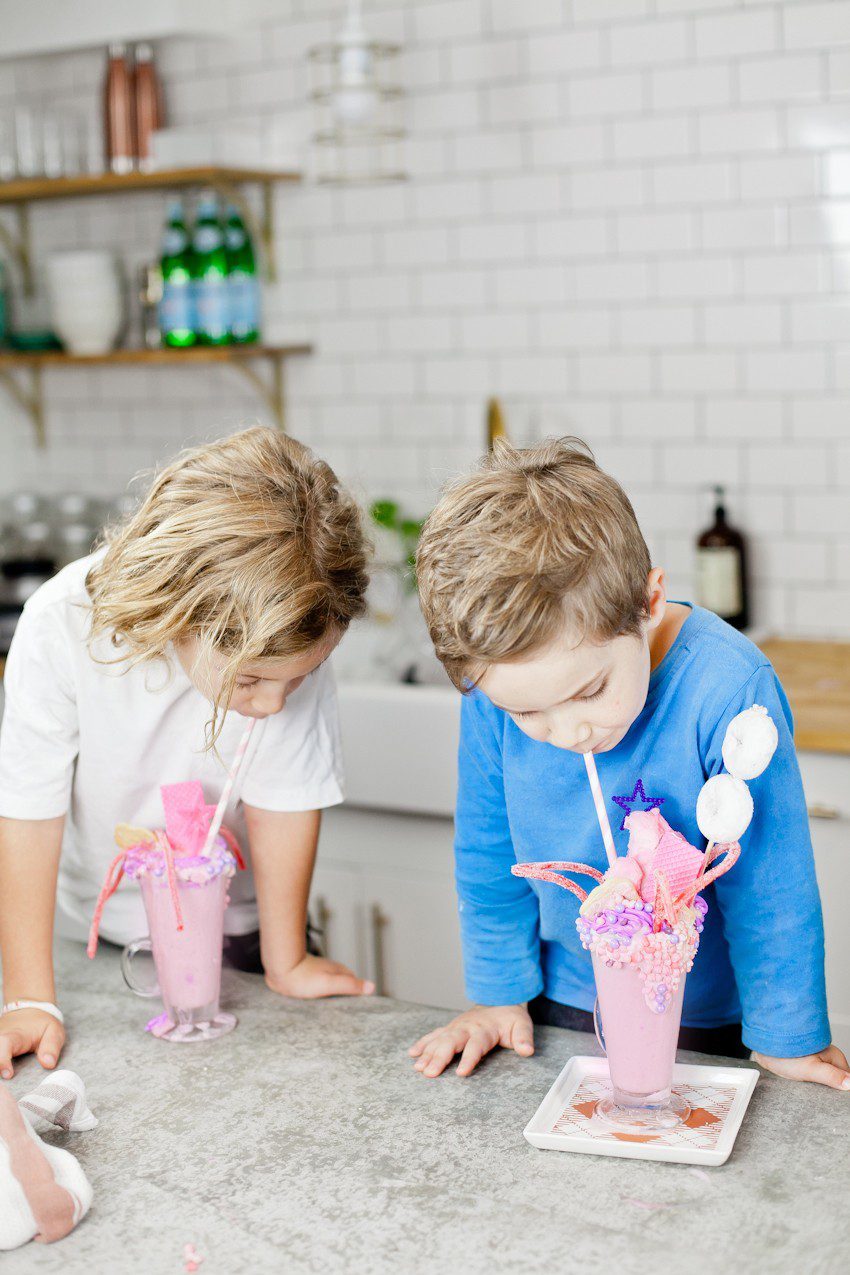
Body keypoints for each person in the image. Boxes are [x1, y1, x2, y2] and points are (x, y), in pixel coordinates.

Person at [410, 437, 849, 1091]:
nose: (565, 732)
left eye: (587, 691)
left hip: (705, 1018)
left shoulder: (727, 688)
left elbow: (771, 887)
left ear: (648, 602)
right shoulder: (496, 697)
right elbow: (488, 852)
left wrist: (786, 1036)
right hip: (563, 1003)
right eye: (530, 715)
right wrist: (500, 994)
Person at [0, 427, 374, 1080]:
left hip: (251, 937)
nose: (273, 705)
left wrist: (285, 962)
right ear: (180, 611)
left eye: (300, 678)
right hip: (104, 940)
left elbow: (283, 799)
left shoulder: (295, 623)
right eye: (251, 680)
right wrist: (31, 995)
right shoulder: (61, 623)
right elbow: (27, 812)